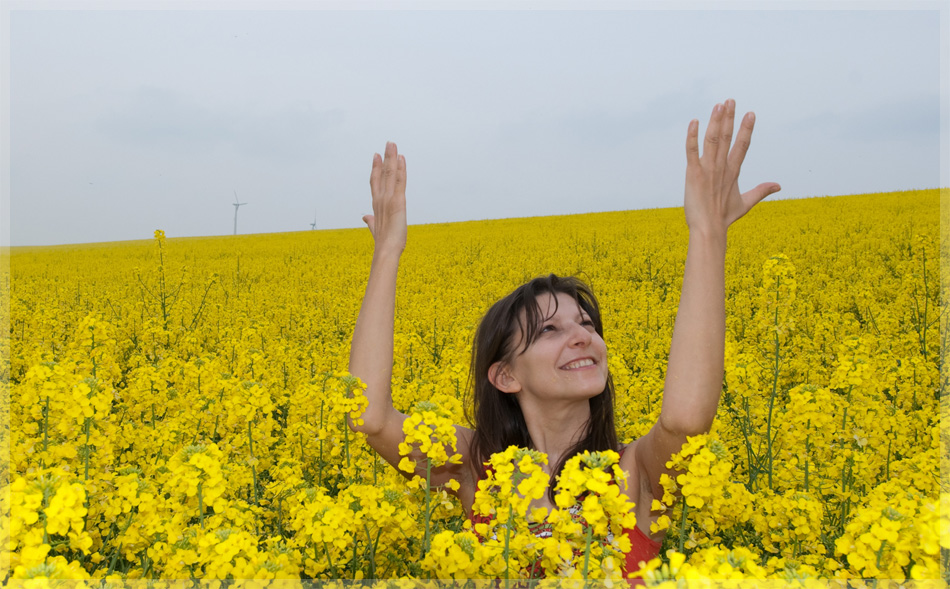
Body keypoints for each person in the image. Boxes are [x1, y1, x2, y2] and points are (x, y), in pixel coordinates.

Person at [348, 99, 781, 576]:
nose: (581, 337)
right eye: (550, 330)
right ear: (505, 375)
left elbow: (685, 419)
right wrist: (387, 252)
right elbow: (368, 416)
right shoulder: (474, 468)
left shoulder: (636, 474)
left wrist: (707, 233)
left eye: (587, 325)